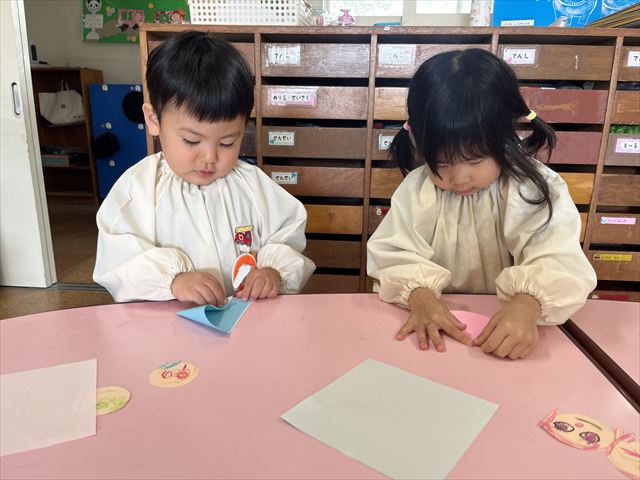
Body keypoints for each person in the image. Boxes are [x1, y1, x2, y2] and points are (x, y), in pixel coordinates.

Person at [366, 49, 597, 360]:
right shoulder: (418, 190)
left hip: (517, 325)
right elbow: (395, 254)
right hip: (441, 328)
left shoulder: (534, 187)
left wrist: (528, 305)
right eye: (441, 164)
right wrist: (420, 297)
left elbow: (556, 256)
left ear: (505, 136)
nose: (459, 178)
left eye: (475, 160)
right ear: (418, 144)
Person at [94, 31, 315, 305]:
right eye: (191, 140)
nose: (210, 157)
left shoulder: (252, 185)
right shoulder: (138, 190)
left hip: (245, 320)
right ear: (153, 120)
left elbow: (287, 231)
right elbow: (118, 263)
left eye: (227, 142)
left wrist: (274, 271)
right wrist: (173, 281)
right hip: (170, 324)